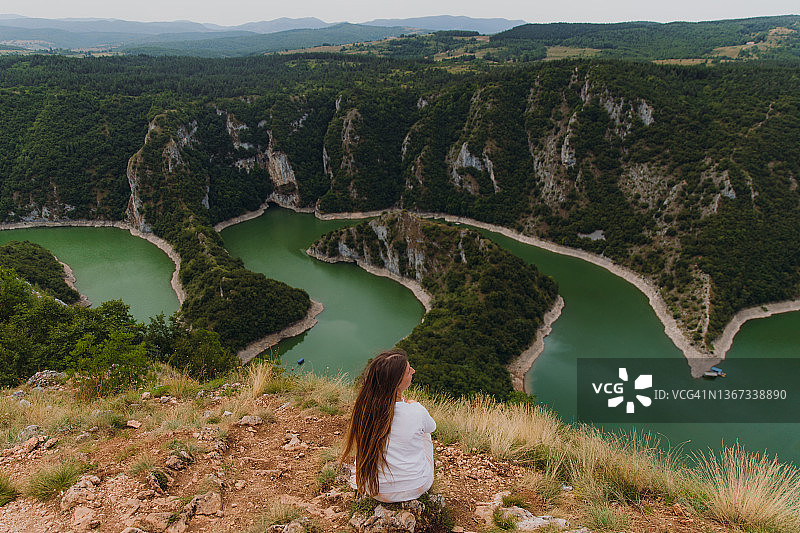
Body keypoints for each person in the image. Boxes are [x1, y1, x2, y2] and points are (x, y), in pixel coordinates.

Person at [340, 348, 436, 503]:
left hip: (374, 489)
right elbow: (432, 427)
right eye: (408, 371)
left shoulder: (365, 409)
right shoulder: (417, 410)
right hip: (417, 486)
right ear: (397, 382)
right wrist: (412, 404)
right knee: (425, 432)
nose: (413, 371)